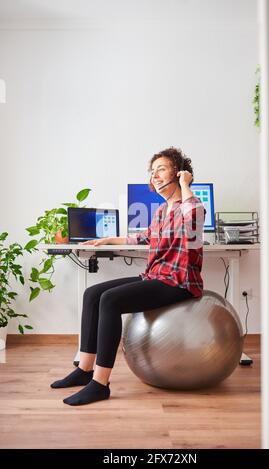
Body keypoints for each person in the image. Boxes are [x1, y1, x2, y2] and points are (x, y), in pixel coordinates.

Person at [50, 147, 205, 406]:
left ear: (178, 173)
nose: (155, 176)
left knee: (110, 300)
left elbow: (194, 216)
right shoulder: (160, 212)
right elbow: (142, 238)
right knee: (92, 294)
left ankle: (100, 384)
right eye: (152, 171)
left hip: (179, 282)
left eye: (162, 169)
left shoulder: (188, 206)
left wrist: (185, 184)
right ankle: (84, 369)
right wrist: (106, 240)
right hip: (156, 276)